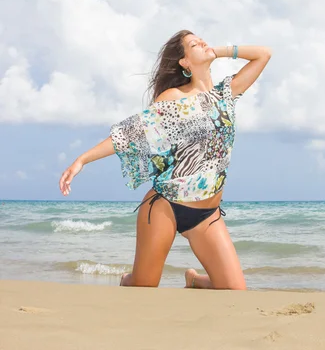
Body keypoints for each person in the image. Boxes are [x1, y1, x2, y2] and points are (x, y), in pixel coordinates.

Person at [59, 30, 271, 290]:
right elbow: (132, 133)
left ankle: (194, 279)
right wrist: (82, 159)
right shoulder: (173, 98)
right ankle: (126, 279)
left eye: (202, 39)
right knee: (144, 285)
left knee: (235, 290)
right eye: (194, 44)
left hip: (208, 214)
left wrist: (220, 50)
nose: (203, 42)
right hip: (167, 204)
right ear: (184, 62)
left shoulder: (225, 94)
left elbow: (263, 55)